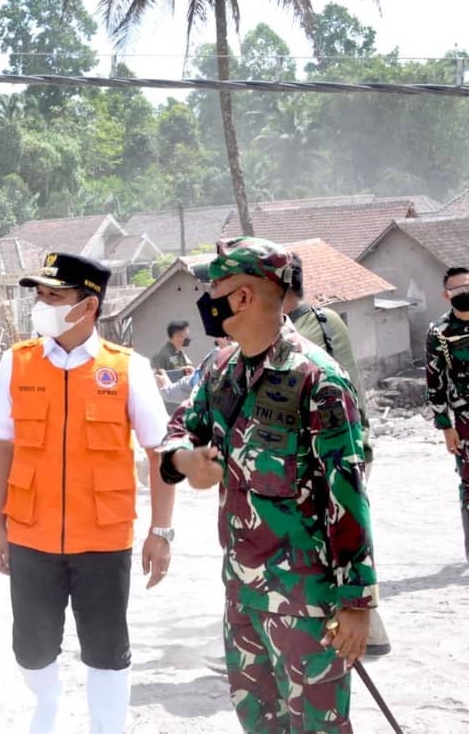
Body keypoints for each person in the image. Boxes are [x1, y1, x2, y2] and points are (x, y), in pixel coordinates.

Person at [159, 237, 377, 734]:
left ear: (242, 297)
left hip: (307, 603)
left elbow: (346, 498)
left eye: (214, 286)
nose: (206, 297)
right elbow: (177, 433)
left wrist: (357, 605)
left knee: (318, 727)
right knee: (257, 723)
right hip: (243, 595)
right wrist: (186, 460)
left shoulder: (317, 381)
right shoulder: (218, 371)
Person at [0, 251, 175, 734]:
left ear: (87, 306)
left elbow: (160, 455)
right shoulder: (17, 363)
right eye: (40, 294)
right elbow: (2, 450)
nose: (41, 304)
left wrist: (161, 531)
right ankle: (45, 708)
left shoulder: (128, 368)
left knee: (107, 653)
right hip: (31, 538)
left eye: (54, 295)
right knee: (31, 649)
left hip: (103, 542)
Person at [284, 252, 390, 657]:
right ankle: (366, 631)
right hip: (333, 449)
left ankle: (362, 631)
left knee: (340, 540)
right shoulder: (320, 322)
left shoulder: (316, 326)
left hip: (336, 451)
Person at [425, 265, 469, 562]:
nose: (464, 293)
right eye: (457, 290)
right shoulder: (439, 333)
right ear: (446, 295)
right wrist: (445, 426)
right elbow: (434, 382)